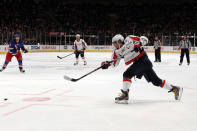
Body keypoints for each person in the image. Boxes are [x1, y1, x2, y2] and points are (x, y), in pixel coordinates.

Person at [101, 34, 183, 104]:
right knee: (156, 81)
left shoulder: (129, 39)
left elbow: (144, 39)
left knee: (127, 74)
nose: (114, 45)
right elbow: (115, 63)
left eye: (114, 43)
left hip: (143, 60)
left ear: (119, 41)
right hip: (141, 64)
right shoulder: (116, 52)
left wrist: (139, 44)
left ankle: (125, 94)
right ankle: (174, 88)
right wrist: (107, 64)